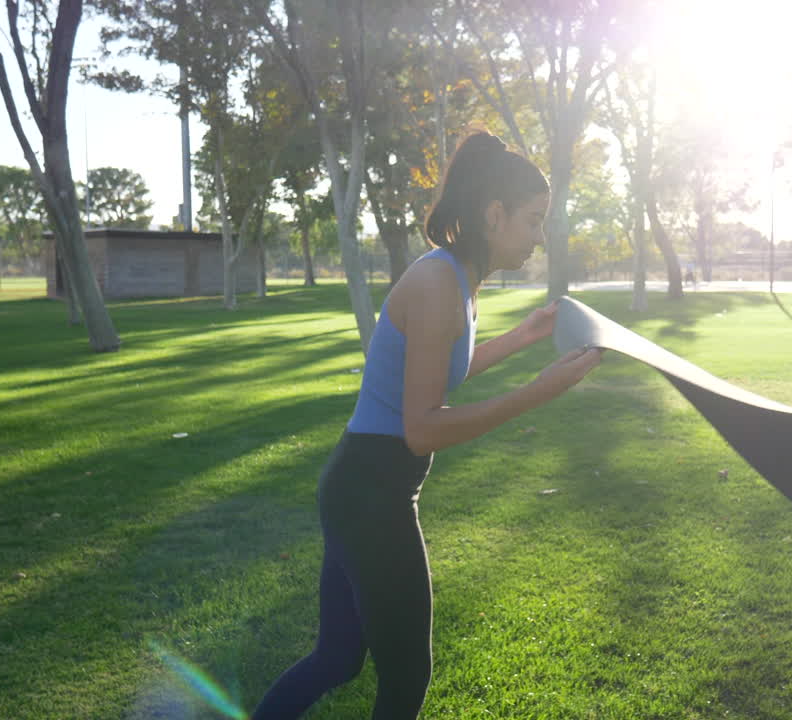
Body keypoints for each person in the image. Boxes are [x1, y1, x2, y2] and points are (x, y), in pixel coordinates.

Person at [250, 131, 604, 720]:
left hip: (359, 485)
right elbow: (422, 428)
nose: (540, 236)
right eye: (534, 219)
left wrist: (525, 337)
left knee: (337, 659)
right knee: (407, 676)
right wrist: (540, 391)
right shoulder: (441, 281)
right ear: (495, 215)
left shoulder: (459, 278)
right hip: (372, 494)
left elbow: (442, 370)